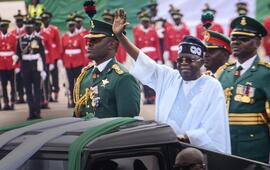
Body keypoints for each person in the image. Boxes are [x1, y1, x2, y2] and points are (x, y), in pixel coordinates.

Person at [112, 9, 231, 153]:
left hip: (197, 154)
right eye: (180, 60)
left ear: (201, 61)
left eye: (190, 59)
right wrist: (120, 36)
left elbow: (215, 128)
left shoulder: (212, 86)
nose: (184, 63)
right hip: (166, 150)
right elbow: (143, 60)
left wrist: (186, 137)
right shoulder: (169, 77)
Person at [218, 15, 270, 163]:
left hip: (253, 146)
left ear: (257, 42)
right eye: (234, 38)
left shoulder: (265, 73)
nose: (236, 42)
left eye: (243, 39)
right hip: (225, 143)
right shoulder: (224, 72)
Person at [73, 18, 140, 118]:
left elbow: (127, 126)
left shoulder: (123, 79)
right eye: (89, 40)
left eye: (95, 40)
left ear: (111, 44)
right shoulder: (85, 75)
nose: (89, 44)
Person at [16, 17, 46, 120]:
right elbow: (18, 54)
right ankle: (31, 112)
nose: (28, 30)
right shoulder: (20, 39)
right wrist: (17, 67)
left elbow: (42, 55)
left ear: (33, 28)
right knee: (28, 91)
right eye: (27, 28)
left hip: (36, 67)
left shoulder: (38, 39)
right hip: (25, 67)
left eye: (30, 28)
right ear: (25, 28)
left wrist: (43, 70)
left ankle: (37, 111)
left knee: (37, 90)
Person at [133, 10, 161, 104]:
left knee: (153, 77)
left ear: (149, 22)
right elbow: (136, 46)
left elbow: (157, 45)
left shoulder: (153, 31)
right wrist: (135, 59)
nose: (145, 23)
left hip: (153, 57)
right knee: (144, 78)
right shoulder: (137, 31)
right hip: (142, 58)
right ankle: (147, 97)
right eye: (144, 22)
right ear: (141, 22)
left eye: (147, 22)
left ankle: (153, 96)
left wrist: (160, 58)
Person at [61, 15, 86, 108]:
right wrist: (62, 62)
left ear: (75, 26)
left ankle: (78, 101)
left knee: (78, 83)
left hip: (78, 63)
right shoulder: (65, 36)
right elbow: (62, 50)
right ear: (67, 26)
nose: (71, 27)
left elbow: (84, 51)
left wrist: (84, 63)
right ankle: (72, 100)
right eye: (69, 25)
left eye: (72, 25)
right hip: (68, 63)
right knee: (70, 84)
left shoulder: (80, 36)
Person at [41, 10, 61, 102]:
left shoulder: (54, 29)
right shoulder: (40, 30)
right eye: (43, 19)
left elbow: (58, 44)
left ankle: (56, 92)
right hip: (44, 57)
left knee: (54, 76)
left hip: (54, 56)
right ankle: (48, 94)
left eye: (47, 19)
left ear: (49, 19)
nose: (45, 21)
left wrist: (57, 57)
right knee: (46, 76)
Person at [34, 17, 52, 109]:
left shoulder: (45, 34)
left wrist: (51, 61)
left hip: (45, 60)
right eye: (35, 25)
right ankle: (38, 100)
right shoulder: (32, 36)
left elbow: (49, 48)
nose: (36, 27)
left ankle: (46, 100)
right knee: (36, 81)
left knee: (45, 81)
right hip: (34, 61)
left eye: (38, 25)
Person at [0, 19, 17, 110]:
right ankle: (6, 102)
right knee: (3, 84)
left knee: (12, 84)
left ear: (7, 27)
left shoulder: (13, 37)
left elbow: (15, 50)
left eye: (4, 26)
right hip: (1, 64)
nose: (3, 28)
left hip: (11, 63)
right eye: (1, 27)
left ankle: (13, 101)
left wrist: (16, 63)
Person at [11, 10, 26, 104]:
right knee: (17, 80)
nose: (19, 22)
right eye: (17, 21)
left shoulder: (27, 31)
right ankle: (20, 97)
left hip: (26, 60)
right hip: (16, 60)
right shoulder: (12, 33)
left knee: (26, 79)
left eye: (20, 21)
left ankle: (28, 96)